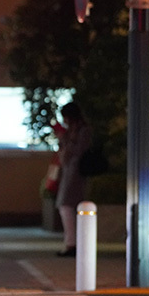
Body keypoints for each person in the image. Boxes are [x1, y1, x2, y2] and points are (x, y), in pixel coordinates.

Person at [54, 101, 92, 257]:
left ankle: (72, 244)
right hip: (70, 171)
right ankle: (72, 243)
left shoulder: (82, 131)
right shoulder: (73, 131)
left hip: (76, 172)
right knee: (69, 207)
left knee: (67, 206)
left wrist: (64, 140)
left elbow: (77, 150)